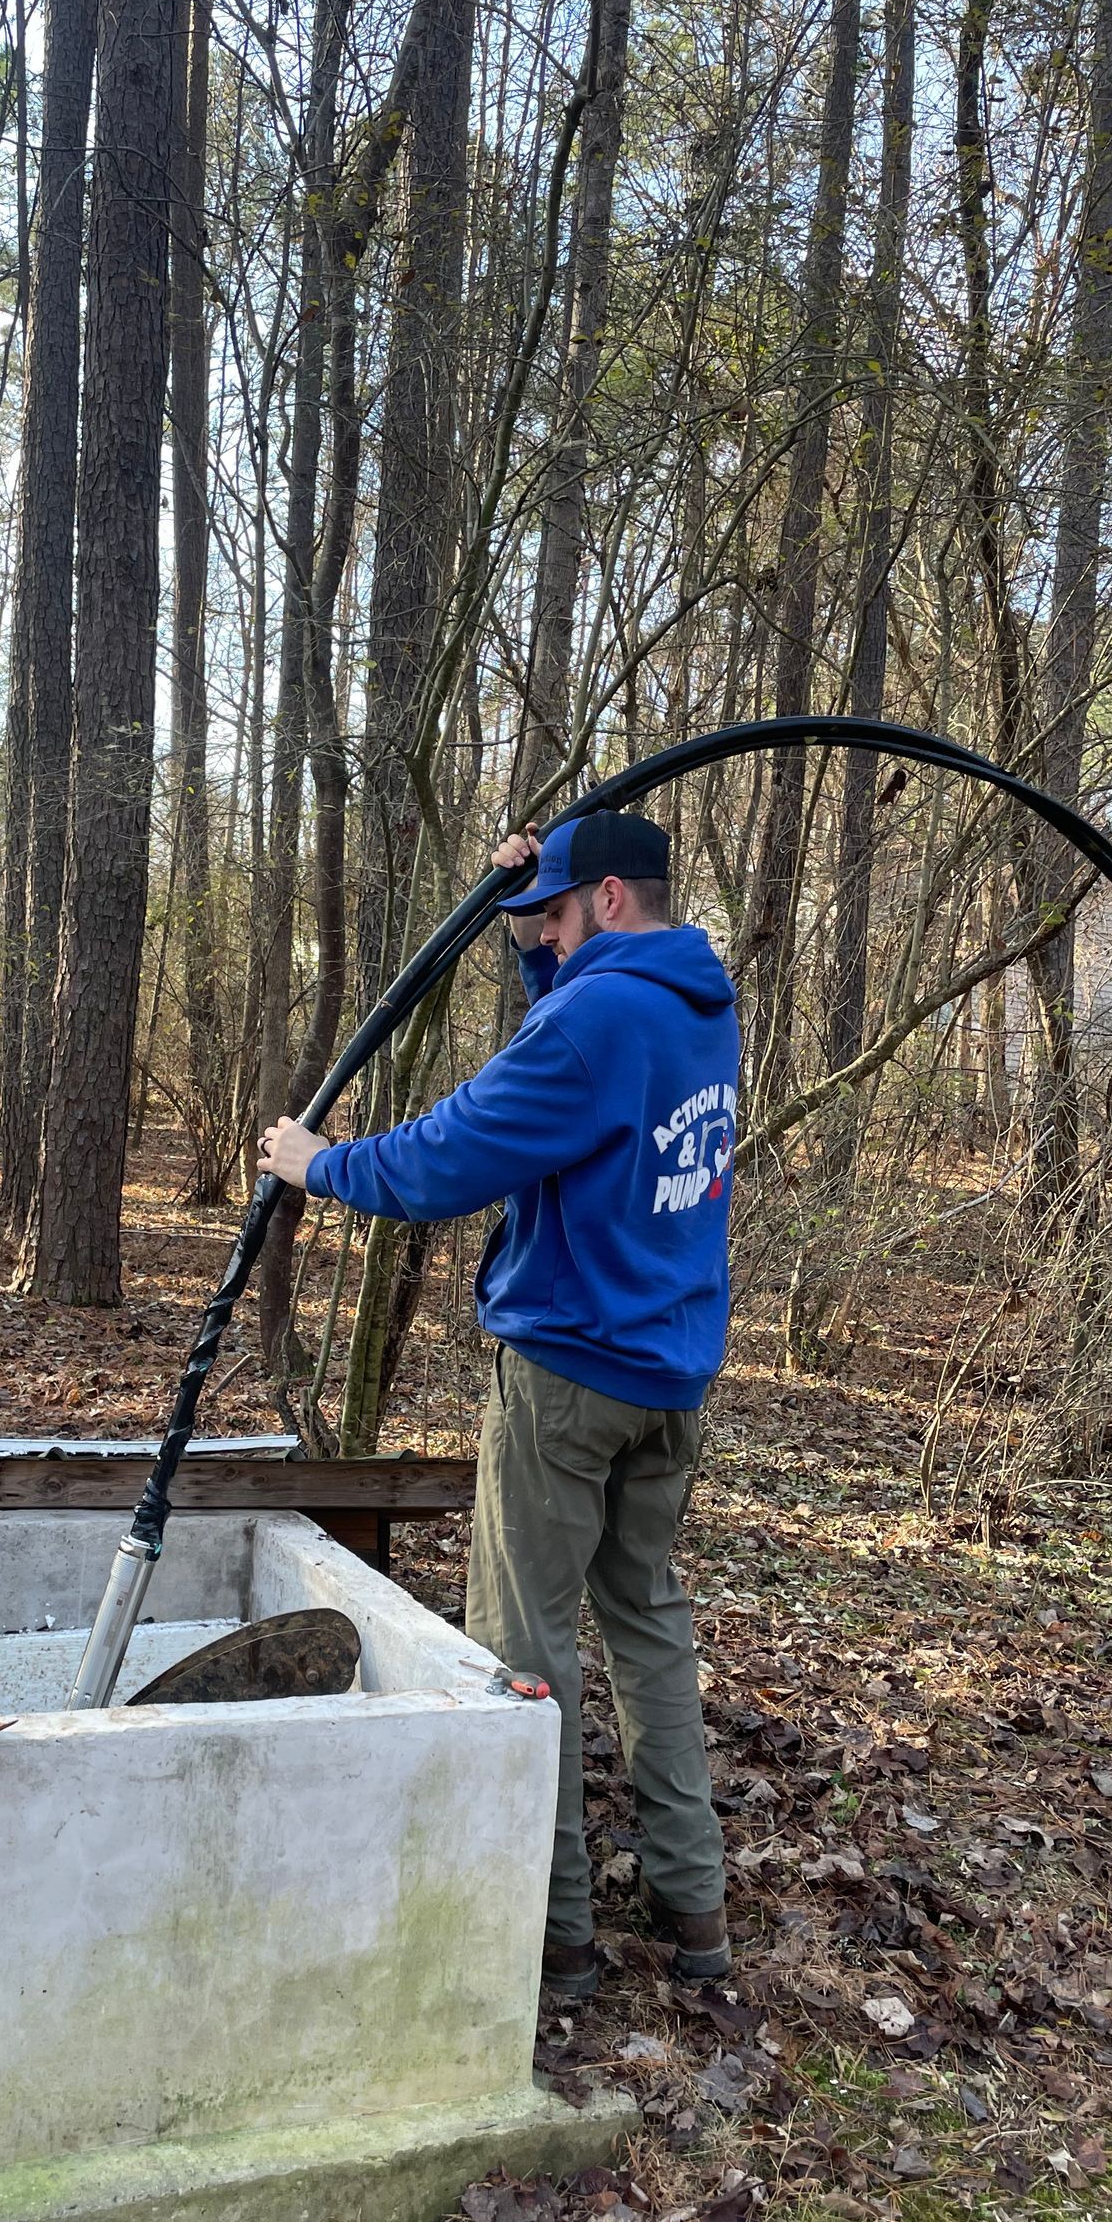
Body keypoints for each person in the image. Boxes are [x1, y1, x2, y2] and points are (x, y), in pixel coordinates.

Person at [259, 809, 739, 2000]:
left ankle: (551, 1935)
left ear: (611, 898)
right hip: (668, 1378)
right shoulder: (696, 1002)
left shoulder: (595, 1019)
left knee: (523, 1648)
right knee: (647, 1629)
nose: (550, 935)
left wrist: (313, 1162)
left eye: (561, 913)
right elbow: (578, 1064)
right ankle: (696, 1913)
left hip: (570, 1378)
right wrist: (530, 926)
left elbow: (448, 1155)